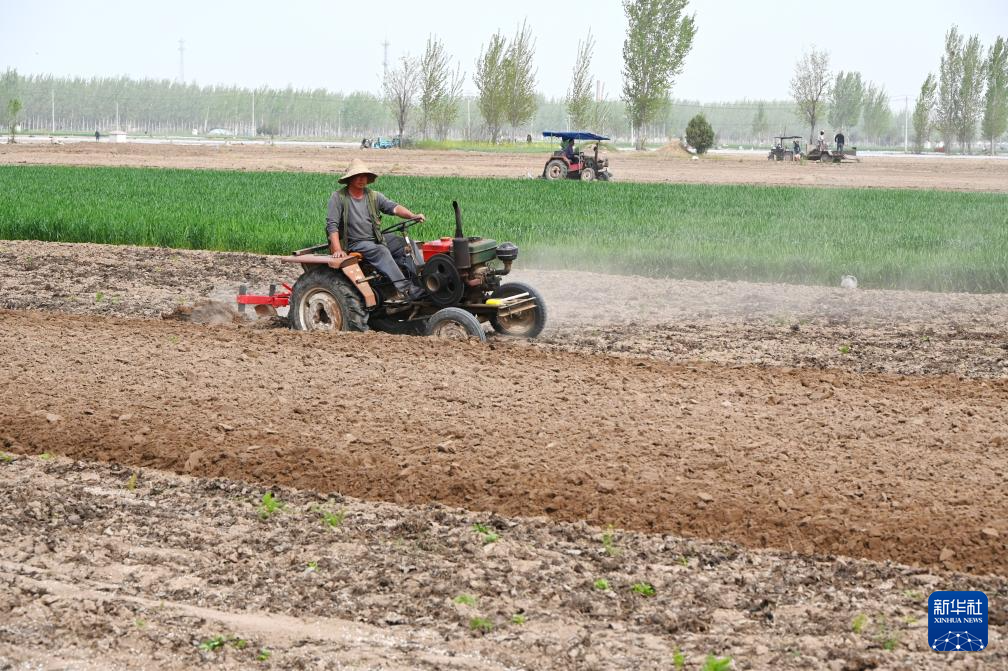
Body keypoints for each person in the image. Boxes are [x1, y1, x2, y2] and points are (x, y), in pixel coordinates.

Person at [326, 158, 425, 303]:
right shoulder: (339, 197)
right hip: (355, 243)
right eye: (357, 176)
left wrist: (412, 215)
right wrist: (337, 250)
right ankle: (406, 289)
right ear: (350, 178)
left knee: (407, 244)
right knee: (381, 250)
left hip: (376, 238)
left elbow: (394, 207)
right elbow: (332, 225)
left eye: (364, 176)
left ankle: (421, 282)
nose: (361, 179)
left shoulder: (373, 196)